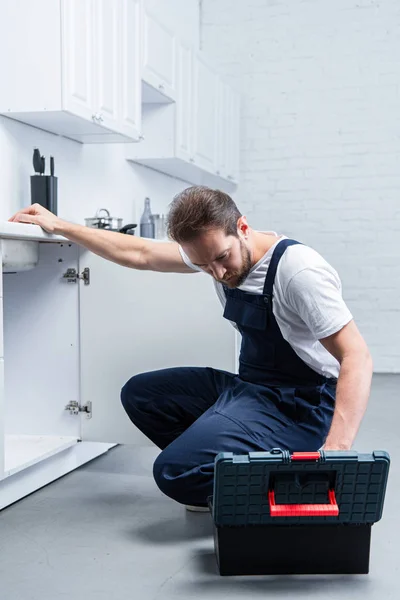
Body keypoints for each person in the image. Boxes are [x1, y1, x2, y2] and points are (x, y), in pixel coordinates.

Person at [9, 186, 373, 511]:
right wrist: (62, 226)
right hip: (253, 389)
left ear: (242, 228)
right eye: (202, 264)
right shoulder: (211, 248)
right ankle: (230, 476)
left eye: (221, 258)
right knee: (142, 394)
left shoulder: (298, 272)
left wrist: (335, 453)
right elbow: (141, 253)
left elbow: (356, 356)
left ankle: (288, 483)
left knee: (172, 471)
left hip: (302, 406)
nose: (216, 273)